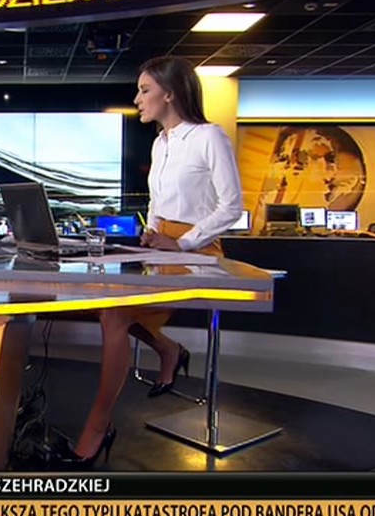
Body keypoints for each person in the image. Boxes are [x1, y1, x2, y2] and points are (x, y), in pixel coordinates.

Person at [52, 56, 243, 469]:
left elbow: (232, 207)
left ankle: (97, 430)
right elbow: (157, 202)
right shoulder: (161, 142)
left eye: (144, 90)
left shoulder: (209, 137)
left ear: (170, 94)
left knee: (114, 314)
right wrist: (151, 232)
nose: (137, 99)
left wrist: (182, 242)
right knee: (105, 300)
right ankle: (168, 349)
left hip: (197, 250)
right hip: (162, 245)